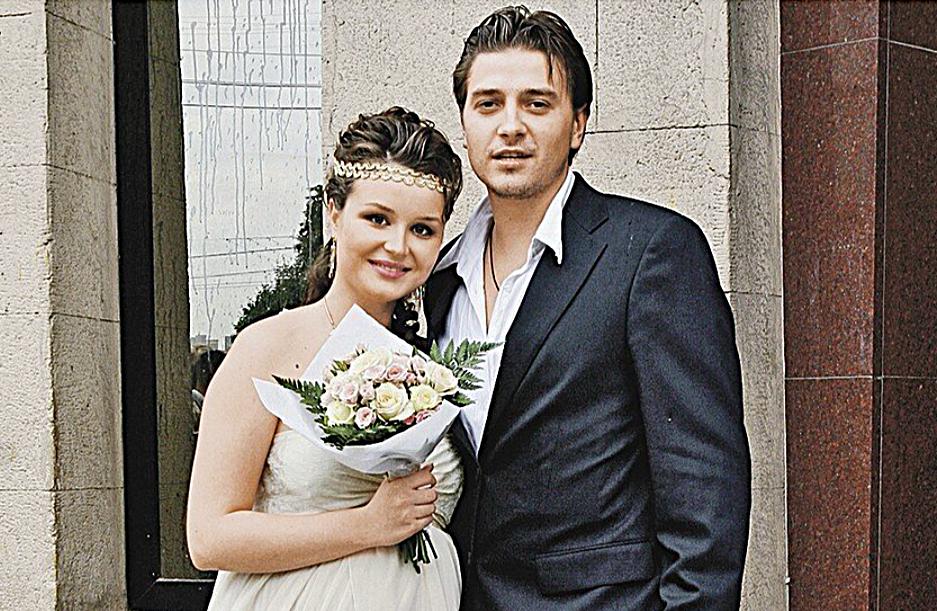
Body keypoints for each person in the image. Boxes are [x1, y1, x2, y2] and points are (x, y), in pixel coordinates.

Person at [423, 7, 751, 610]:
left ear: (577, 124)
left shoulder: (652, 252)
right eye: (488, 104)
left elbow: (704, 485)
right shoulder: (437, 278)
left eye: (537, 104)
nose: (510, 126)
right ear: (465, 123)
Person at [187, 107, 465, 610]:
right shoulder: (266, 346)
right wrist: (368, 525)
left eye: (422, 229)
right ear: (334, 213)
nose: (398, 246)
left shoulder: (437, 360)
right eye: (377, 219)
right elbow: (209, 538)